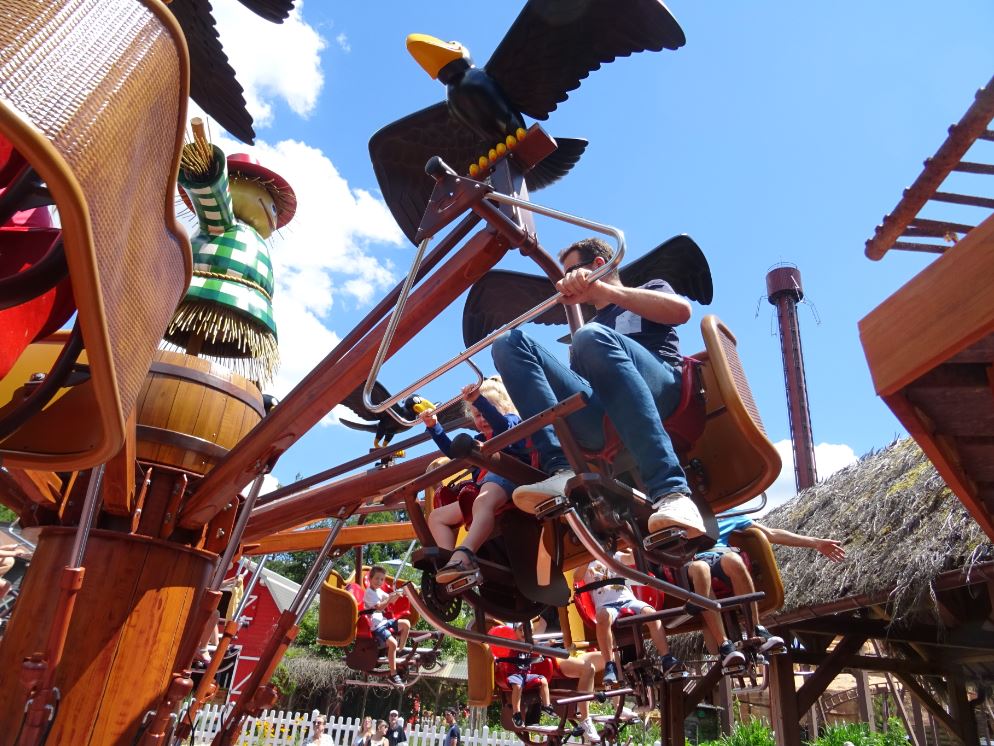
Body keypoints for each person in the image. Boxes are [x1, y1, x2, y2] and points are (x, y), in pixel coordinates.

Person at [492, 237, 704, 539]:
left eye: (571, 272)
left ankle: (672, 493)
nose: (565, 281)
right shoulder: (586, 337)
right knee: (508, 344)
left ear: (597, 266)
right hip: (604, 412)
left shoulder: (645, 291)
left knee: (590, 337)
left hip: (662, 388)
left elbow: (681, 312)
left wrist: (603, 290)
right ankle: (561, 470)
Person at [421, 377, 531, 584]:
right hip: (485, 487)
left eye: (487, 410)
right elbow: (454, 452)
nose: (482, 418)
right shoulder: (481, 439)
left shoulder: (512, 422)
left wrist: (479, 400)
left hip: (511, 477)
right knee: (437, 517)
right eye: (477, 414)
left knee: (482, 500)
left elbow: (502, 426)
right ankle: (450, 564)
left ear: (504, 407)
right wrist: (434, 427)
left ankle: (465, 556)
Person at [689, 514, 845, 658]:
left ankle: (757, 630)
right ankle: (724, 644)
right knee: (701, 570)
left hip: (721, 557)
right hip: (693, 561)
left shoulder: (729, 514)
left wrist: (816, 543)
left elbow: (771, 534)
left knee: (734, 560)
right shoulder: (682, 513)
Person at [574, 550, 682, 686]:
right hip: (606, 605)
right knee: (603, 618)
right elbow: (577, 577)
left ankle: (666, 657)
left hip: (627, 600)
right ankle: (610, 664)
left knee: (651, 613)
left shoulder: (614, 555)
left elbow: (631, 559)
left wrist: (632, 546)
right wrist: (587, 557)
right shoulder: (586, 562)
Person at [491, 622, 556, 728]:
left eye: (526, 630)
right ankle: (516, 713)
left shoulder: (530, 644)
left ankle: (546, 705)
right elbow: (501, 652)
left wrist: (548, 644)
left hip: (526, 675)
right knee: (517, 685)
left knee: (543, 680)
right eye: (520, 630)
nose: (523, 633)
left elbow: (539, 649)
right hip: (514, 674)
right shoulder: (512, 643)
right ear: (514, 632)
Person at [364, 565, 412, 686]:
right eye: (377, 579)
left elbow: (392, 600)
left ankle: (400, 650)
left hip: (383, 621)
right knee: (392, 643)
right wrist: (390, 598)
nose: (379, 582)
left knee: (406, 623)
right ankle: (393, 673)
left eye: (381, 579)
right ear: (370, 579)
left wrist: (398, 594)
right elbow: (380, 607)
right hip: (376, 625)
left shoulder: (379, 591)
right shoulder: (369, 593)